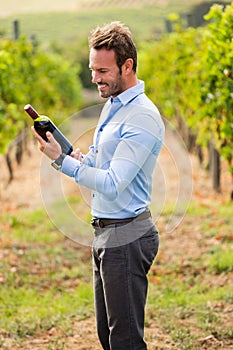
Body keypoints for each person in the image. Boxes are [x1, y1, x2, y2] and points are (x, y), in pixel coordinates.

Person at [32, 21, 165, 350]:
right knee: (108, 337)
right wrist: (76, 156)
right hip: (105, 231)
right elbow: (100, 162)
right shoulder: (112, 106)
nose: (95, 78)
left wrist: (62, 162)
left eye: (102, 70)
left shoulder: (141, 116)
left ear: (127, 65)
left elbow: (114, 182)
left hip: (127, 236)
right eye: (93, 69)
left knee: (126, 341)